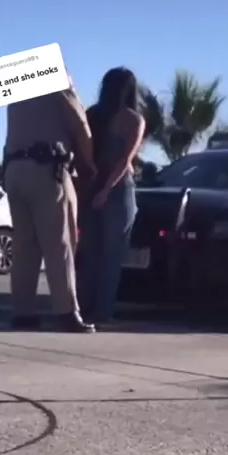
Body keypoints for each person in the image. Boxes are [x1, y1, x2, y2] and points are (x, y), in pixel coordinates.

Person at [3, 83, 97, 332]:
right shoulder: (56, 78)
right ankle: (66, 311)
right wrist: (90, 165)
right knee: (60, 243)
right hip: (46, 168)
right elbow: (80, 122)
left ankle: (23, 311)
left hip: (14, 169)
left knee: (25, 245)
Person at [77, 67, 145, 325]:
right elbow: (125, 160)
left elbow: (82, 153)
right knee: (112, 255)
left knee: (91, 252)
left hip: (91, 186)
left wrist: (91, 187)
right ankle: (103, 311)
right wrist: (107, 190)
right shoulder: (133, 119)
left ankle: (84, 307)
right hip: (117, 190)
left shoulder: (92, 115)